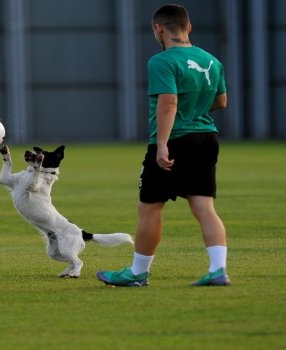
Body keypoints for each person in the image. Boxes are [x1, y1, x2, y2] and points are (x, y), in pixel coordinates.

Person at [97, 4, 230, 287]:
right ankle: (218, 270)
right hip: (206, 138)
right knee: (204, 207)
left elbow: (168, 102)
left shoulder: (162, 61)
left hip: (175, 140)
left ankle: (137, 272)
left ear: (158, 28)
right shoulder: (211, 60)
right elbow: (221, 102)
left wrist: (161, 144)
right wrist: (194, 111)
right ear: (189, 26)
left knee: (150, 208)